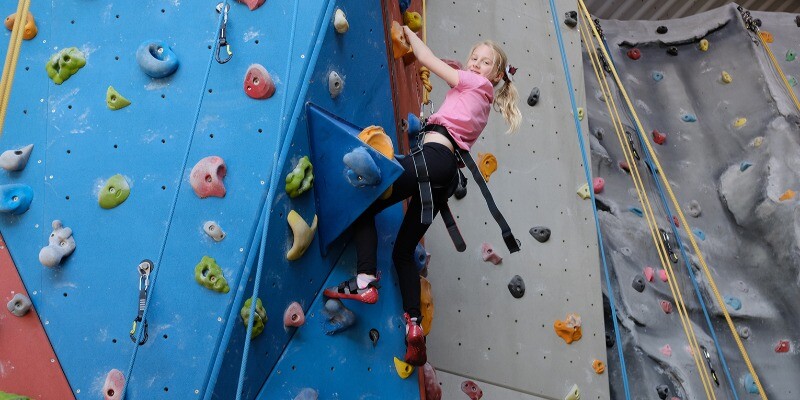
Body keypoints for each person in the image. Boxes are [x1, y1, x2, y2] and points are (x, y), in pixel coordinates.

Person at [324, 26, 521, 366]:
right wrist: (458, 69)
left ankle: (365, 279)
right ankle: (414, 326)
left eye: (484, 62)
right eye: (473, 58)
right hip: (444, 179)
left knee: (364, 204)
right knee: (403, 253)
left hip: (432, 161)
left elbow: (426, 59)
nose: (475, 64)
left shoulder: (476, 83)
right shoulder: (484, 99)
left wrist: (406, 33)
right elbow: (457, 86)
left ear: (496, 73)